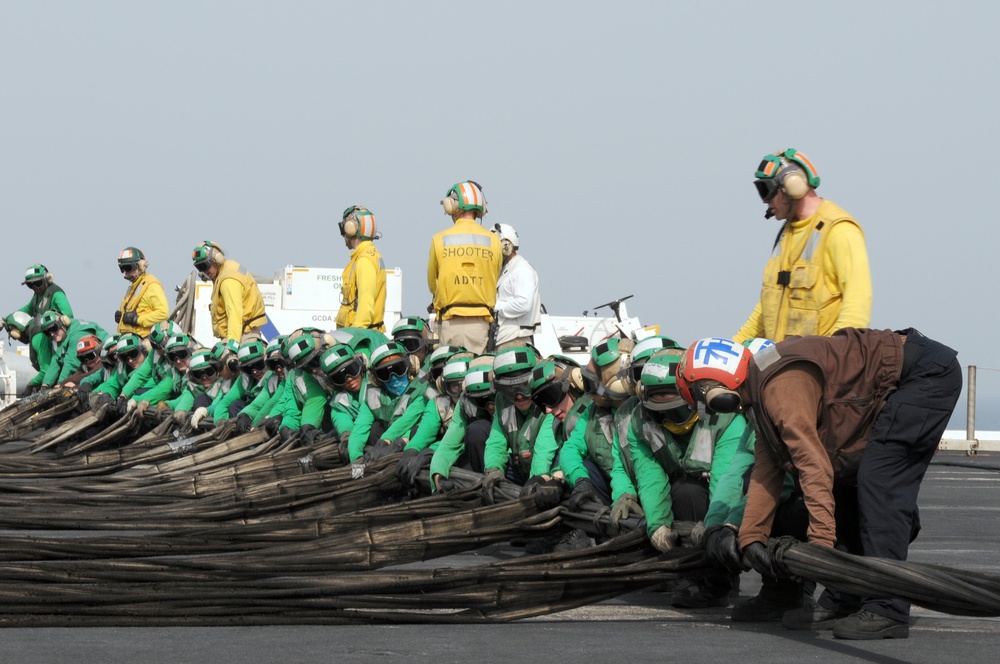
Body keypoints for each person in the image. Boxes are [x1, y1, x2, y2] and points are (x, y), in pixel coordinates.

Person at [676, 331, 962, 640]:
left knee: (879, 480)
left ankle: (887, 607)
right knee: (846, 479)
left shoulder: (779, 390)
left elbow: (812, 465)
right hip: (904, 375)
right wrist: (751, 537)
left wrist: (821, 550)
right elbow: (766, 469)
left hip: (925, 376)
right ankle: (844, 597)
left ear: (716, 391)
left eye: (705, 399)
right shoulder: (761, 388)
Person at [734, 149, 871, 343]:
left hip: (821, 366)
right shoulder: (787, 234)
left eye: (767, 191)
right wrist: (734, 347)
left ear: (791, 186)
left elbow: (857, 304)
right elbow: (766, 307)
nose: (765, 201)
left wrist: (835, 356)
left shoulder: (839, 230)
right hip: (783, 363)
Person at [427, 181, 502, 354]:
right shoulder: (494, 241)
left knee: (451, 375)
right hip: (481, 326)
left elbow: (432, 283)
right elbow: (495, 277)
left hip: (450, 323)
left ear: (453, 205)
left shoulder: (439, 239)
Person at [191, 241, 266, 343]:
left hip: (242, 336)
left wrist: (233, 344)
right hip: (242, 334)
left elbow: (235, 313)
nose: (204, 271)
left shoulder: (228, 280)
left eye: (205, 265)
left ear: (216, 259)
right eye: (199, 267)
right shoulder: (227, 269)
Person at [12, 264, 73, 386]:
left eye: (38, 283)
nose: (35, 287)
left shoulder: (56, 293)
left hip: (54, 340)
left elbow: (68, 315)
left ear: (47, 279)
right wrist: (8, 318)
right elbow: (26, 310)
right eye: (30, 285)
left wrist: (56, 317)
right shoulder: (37, 295)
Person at [335, 206, 387, 332]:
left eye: (344, 228)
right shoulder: (369, 254)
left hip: (361, 335)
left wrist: (356, 334)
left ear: (351, 229)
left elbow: (366, 301)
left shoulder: (364, 260)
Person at [490, 223, 541, 349]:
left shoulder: (521, 270)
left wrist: (494, 306)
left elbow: (523, 303)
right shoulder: (508, 269)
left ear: (506, 246)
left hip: (514, 340)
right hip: (506, 339)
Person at [114, 247, 169, 338]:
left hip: (144, 341)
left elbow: (163, 313)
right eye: (122, 268)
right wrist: (122, 318)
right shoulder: (135, 286)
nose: (125, 272)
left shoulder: (151, 285)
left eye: (128, 267)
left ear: (140, 266)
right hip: (129, 341)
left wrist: (137, 319)